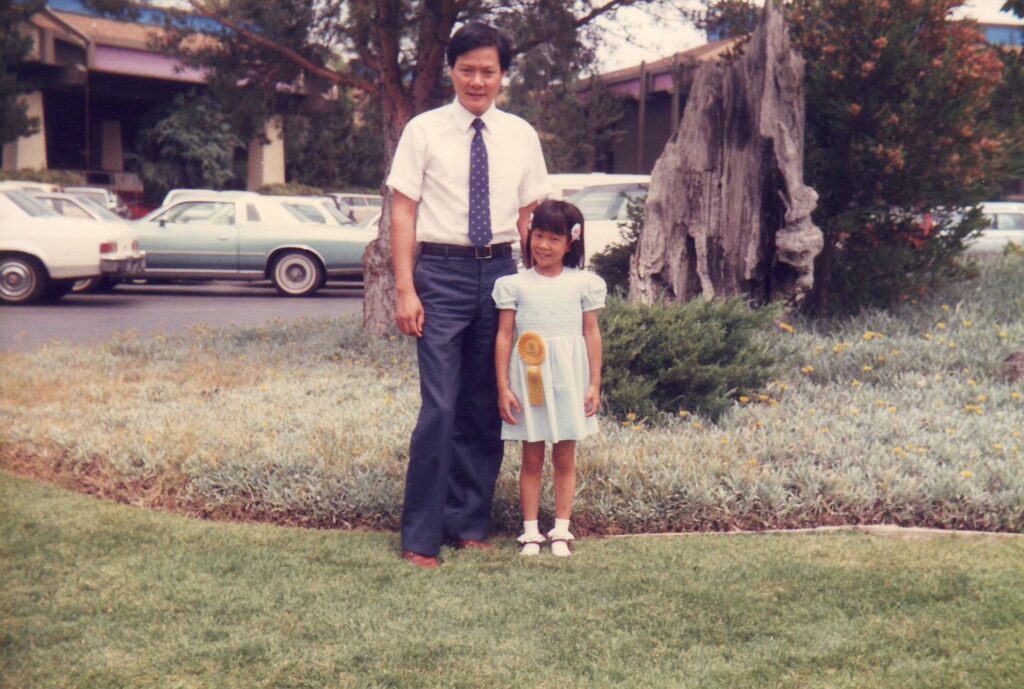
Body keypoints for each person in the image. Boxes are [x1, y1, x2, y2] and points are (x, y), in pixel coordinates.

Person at [386, 22, 550, 569]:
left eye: (488, 71)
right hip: (441, 273)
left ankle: (468, 523)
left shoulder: (521, 135)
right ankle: (421, 536)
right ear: (450, 71)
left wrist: (534, 286)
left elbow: (529, 216)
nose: (477, 81)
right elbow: (403, 210)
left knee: (486, 406)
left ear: (503, 75)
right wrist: (406, 288)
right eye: (467, 70)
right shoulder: (424, 131)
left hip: (501, 273)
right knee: (440, 407)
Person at [492, 200, 606, 557]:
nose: (542, 245)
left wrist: (593, 383)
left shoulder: (584, 283)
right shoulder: (513, 285)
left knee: (565, 458)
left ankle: (560, 530)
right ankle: (529, 532)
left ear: (570, 243)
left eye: (553, 239)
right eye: (537, 236)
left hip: (569, 381)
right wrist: (503, 387)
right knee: (531, 458)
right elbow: (505, 337)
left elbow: (592, 334)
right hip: (529, 382)